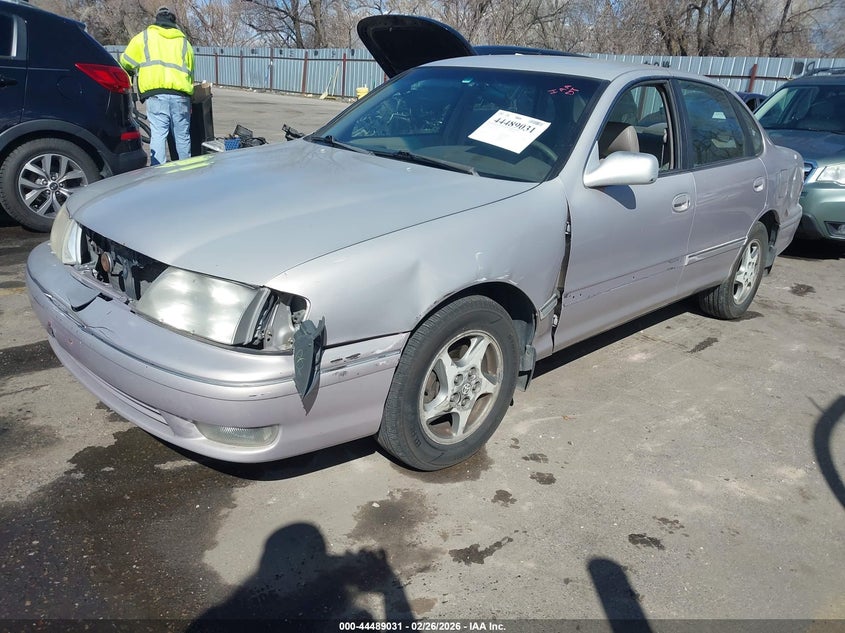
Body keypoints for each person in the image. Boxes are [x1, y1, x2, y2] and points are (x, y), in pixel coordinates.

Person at [120, 6, 195, 165]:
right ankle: (186, 171)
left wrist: (131, 73)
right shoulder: (184, 43)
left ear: (157, 20)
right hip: (181, 96)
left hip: (156, 95)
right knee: (182, 136)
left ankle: (158, 173)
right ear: (174, 23)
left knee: (159, 134)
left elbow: (126, 61)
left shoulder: (144, 38)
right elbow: (190, 72)